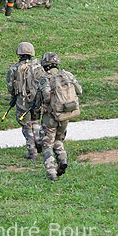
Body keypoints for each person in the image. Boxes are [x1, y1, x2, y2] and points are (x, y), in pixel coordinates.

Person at [36, 52, 82, 181]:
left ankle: (51, 171)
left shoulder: (45, 79)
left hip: (51, 117)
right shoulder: (68, 75)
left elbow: (46, 96)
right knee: (58, 140)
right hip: (65, 116)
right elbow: (80, 90)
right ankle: (62, 160)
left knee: (46, 144)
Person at [6, 42, 48, 159]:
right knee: (35, 122)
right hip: (37, 100)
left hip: (22, 102)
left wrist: (14, 96)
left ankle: (32, 152)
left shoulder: (14, 68)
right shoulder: (38, 67)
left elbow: (10, 86)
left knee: (26, 126)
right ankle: (39, 142)